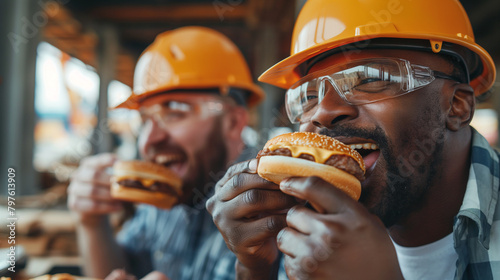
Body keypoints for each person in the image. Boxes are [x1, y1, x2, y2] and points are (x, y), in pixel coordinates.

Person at [206, 0, 499, 279]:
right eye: (308, 97)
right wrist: (256, 271)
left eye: (369, 79)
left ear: (457, 106)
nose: (323, 111)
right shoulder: (294, 228)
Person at [68, 26, 264, 279]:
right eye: (145, 120)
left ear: (233, 123)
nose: (148, 140)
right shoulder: (163, 193)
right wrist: (93, 223)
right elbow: (123, 269)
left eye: (174, 113)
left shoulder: (274, 205)